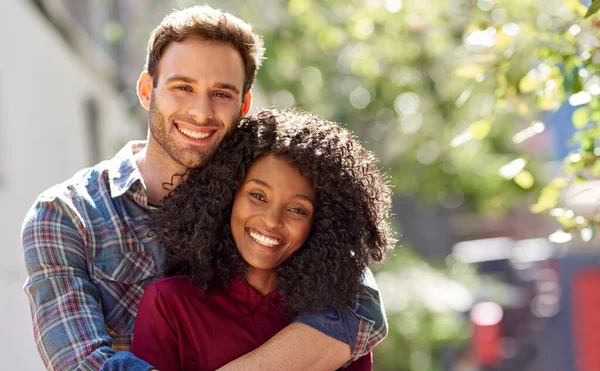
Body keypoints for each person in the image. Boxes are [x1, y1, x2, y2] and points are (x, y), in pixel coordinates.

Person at [22, 5, 388, 371]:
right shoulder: (68, 215)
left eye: (221, 94)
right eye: (183, 87)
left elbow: (359, 306)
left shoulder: (256, 201)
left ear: (243, 105)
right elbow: (83, 363)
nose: (200, 112)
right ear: (148, 89)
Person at [130, 109, 395, 371]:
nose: (271, 221)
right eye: (258, 196)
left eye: (297, 210)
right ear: (228, 194)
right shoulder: (168, 304)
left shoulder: (338, 324)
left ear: (322, 223)